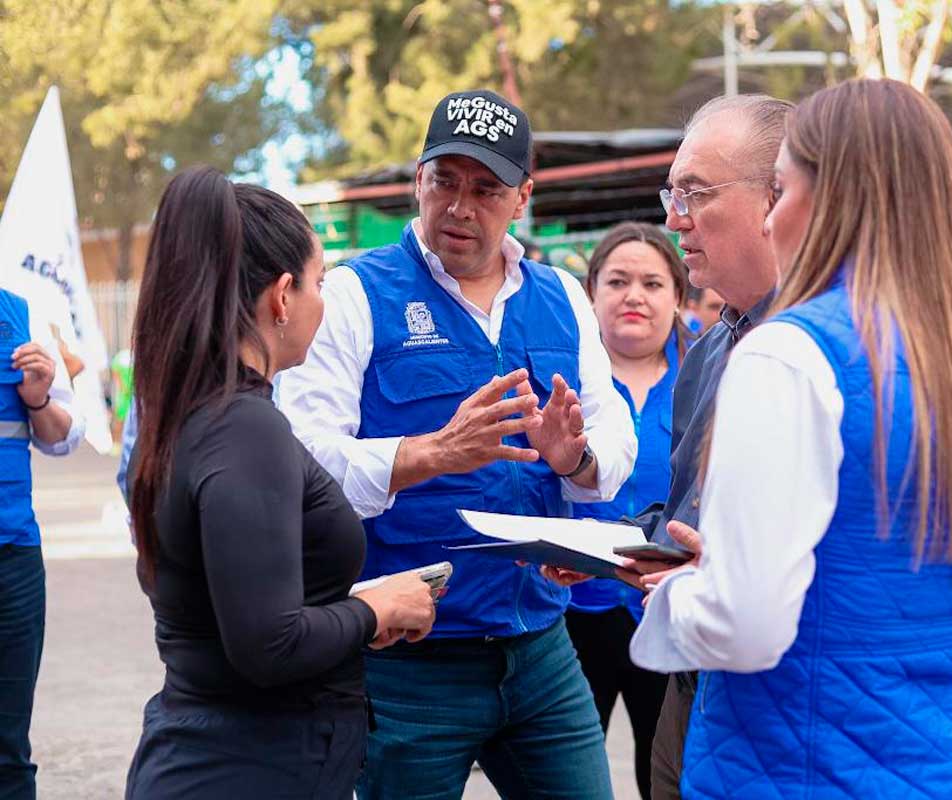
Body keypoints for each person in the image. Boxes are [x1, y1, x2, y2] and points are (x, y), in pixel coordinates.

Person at [629, 78, 952, 799]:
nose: (775, 216)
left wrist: (681, 593)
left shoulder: (787, 355)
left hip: (800, 771)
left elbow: (746, 628)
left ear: (829, 200)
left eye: (783, 189)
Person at [276, 89, 636, 800]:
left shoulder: (561, 294)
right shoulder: (354, 294)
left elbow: (612, 441)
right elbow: (303, 463)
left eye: (486, 189)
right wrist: (429, 453)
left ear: (523, 198)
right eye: (445, 181)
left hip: (539, 650)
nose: (461, 207)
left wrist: (576, 460)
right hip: (407, 662)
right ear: (418, 180)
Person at [123, 167, 439, 799]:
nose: (326, 300)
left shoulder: (197, 413)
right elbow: (268, 643)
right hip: (248, 765)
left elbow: (240, 603)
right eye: (320, 281)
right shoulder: (245, 429)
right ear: (283, 296)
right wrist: (374, 607)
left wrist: (353, 615)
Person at [606, 93, 790, 800]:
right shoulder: (710, 352)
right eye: (671, 192)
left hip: (779, 696)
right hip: (691, 685)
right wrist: (618, 549)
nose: (673, 217)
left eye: (694, 193)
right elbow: (689, 508)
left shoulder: (826, 353)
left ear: (777, 197)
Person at [564, 222, 690, 800]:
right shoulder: (567, 381)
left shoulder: (703, 378)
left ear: (678, 299)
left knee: (662, 771)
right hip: (573, 607)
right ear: (591, 294)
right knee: (566, 773)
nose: (634, 295)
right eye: (617, 281)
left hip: (666, 603)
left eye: (652, 283)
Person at [0, 286, 84, 800]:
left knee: (9, 746)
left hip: (14, 559)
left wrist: (39, 397)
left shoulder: (22, 314)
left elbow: (63, 438)